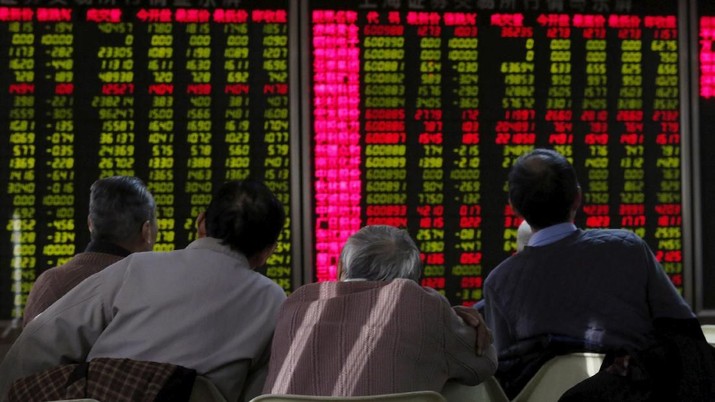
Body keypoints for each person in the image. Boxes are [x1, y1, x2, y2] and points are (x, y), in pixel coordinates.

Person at [0, 180, 287, 402]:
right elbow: (262, 392)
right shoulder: (275, 302)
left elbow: (42, 339)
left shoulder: (138, 267)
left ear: (201, 223)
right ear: (268, 252)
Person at [483, 148, 696, 397]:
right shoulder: (628, 248)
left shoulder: (499, 284)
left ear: (514, 207)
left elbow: (505, 377)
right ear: (577, 197)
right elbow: (685, 334)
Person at [262, 225, 497, 397]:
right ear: (415, 280)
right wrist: (456, 320)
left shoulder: (295, 303)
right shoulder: (422, 304)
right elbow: (484, 365)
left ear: (341, 268)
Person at [23, 176, 158, 327]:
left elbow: (28, 348)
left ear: (90, 224)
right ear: (147, 231)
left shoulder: (51, 283)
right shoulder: (157, 287)